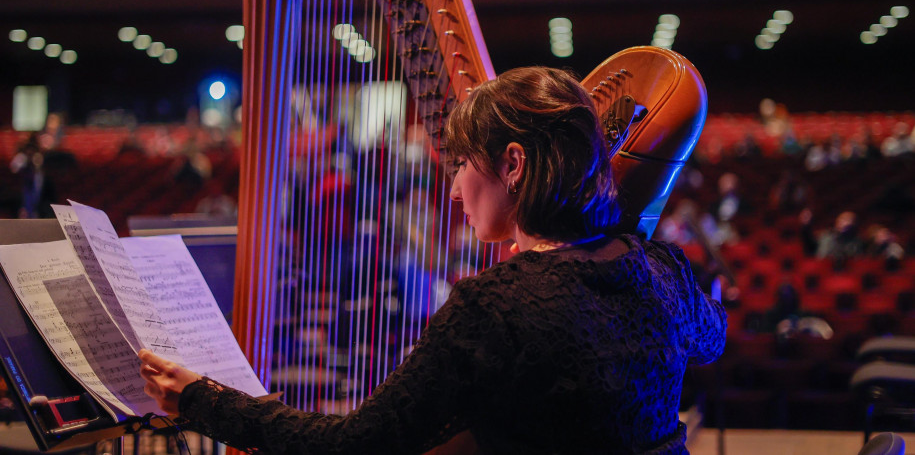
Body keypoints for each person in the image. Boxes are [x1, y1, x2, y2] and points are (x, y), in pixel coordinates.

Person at [139, 67, 727, 454]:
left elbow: (354, 447)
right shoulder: (661, 271)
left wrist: (199, 398)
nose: (453, 190)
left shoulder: (495, 307)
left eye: (461, 166)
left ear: (513, 165)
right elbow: (710, 340)